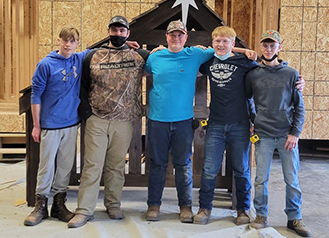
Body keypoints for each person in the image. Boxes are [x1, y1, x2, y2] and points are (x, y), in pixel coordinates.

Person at [143, 20, 255, 223]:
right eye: (172, 35)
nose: (176, 38)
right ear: (166, 37)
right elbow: (142, 71)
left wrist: (246, 51)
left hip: (184, 121)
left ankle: (186, 206)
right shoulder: (155, 57)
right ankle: (154, 205)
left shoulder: (195, 54)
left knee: (184, 165)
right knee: (157, 164)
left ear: (186, 37)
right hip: (157, 120)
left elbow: (223, 49)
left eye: (180, 35)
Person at [67, 15, 150, 228]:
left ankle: (113, 204)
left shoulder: (140, 56)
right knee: (92, 165)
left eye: (122, 31)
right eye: (114, 30)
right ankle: (84, 210)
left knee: (115, 166)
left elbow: (167, 57)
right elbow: (83, 85)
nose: (118, 34)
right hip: (97, 119)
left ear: (128, 33)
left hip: (124, 121)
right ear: (108, 31)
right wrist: (87, 113)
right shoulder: (93, 56)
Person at [246, 30, 312, 237]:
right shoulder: (253, 74)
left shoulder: (292, 74)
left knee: (291, 179)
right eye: (264, 45)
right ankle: (261, 215)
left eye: (272, 45)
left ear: (279, 47)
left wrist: (296, 133)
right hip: (263, 134)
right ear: (260, 47)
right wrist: (253, 120)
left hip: (287, 136)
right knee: (260, 179)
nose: (268, 49)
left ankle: (294, 218)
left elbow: (299, 107)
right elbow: (247, 99)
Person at [24, 26, 90, 226]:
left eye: (72, 41)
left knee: (65, 166)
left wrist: (129, 45)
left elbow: (101, 48)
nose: (68, 44)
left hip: (71, 124)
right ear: (59, 41)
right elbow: (35, 95)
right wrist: (37, 125)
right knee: (46, 165)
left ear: (77, 43)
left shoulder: (79, 59)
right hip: (50, 124)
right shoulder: (45, 65)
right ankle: (40, 205)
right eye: (65, 40)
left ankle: (59, 205)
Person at [193, 26, 258, 225]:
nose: (221, 45)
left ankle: (243, 210)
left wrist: (299, 82)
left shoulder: (245, 62)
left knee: (241, 169)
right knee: (209, 169)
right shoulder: (208, 62)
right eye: (217, 41)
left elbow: (268, 72)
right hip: (216, 125)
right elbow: (192, 52)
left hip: (240, 124)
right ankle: (205, 208)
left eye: (225, 41)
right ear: (212, 44)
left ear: (233, 43)